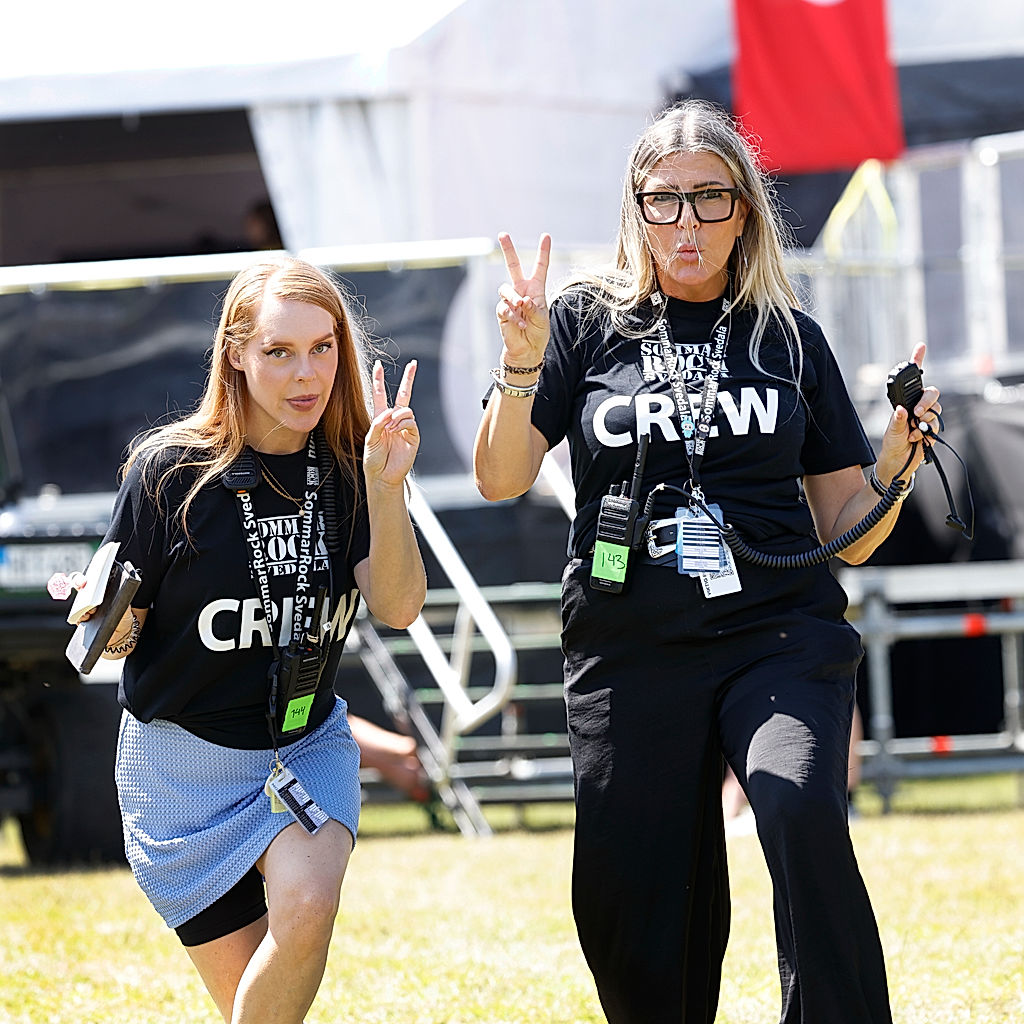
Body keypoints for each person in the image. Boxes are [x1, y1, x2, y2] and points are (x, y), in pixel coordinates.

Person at [473, 98, 941, 1024]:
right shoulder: (582, 324)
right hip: (629, 646)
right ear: (637, 210)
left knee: (797, 806)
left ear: (745, 212)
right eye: (665, 200)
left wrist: (893, 467)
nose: (686, 223)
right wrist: (522, 364)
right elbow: (501, 475)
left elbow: (845, 528)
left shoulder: (787, 337)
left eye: (709, 199)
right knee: (635, 908)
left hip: (776, 635)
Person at [84, 256, 426, 1024]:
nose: (307, 374)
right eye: (279, 351)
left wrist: (386, 487)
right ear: (235, 354)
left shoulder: (353, 468)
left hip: (305, 747)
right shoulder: (170, 472)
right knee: (260, 1011)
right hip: (180, 773)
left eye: (323, 347)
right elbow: (119, 641)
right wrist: (99, 612)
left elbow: (399, 607)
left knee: (307, 907)